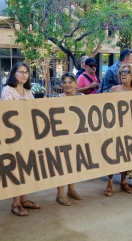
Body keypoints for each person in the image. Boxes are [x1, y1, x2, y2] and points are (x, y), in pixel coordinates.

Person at [1, 62, 41, 216]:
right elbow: (8, 111)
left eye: (26, 72)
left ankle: (24, 199)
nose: (24, 75)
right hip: (14, 135)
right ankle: (15, 203)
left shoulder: (27, 91)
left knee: (28, 165)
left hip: (29, 134)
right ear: (13, 74)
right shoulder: (7, 90)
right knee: (17, 167)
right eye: (21, 72)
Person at [104, 64, 132, 196]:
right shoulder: (114, 89)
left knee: (125, 154)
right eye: (121, 72)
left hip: (129, 127)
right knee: (113, 154)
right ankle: (110, 182)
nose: (123, 74)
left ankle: (124, 182)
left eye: (126, 72)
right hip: (114, 127)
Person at [56, 72, 83, 205]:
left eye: (70, 82)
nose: (67, 85)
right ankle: (60, 194)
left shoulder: (82, 97)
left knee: (73, 163)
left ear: (76, 84)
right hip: (62, 136)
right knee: (62, 165)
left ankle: (71, 190)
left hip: (76, 136)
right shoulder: (58, 99)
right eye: (64, 82)